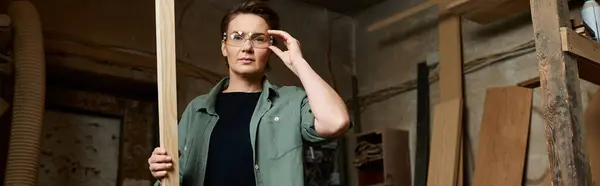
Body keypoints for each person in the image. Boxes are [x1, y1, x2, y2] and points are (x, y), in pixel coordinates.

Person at [148, 0, 351, 185]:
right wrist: (163, 169)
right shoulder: (197, 110)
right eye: (237, 37)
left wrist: (299, 64)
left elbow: (336, 121)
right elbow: (177, 175)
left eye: (258, 39)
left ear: (271, 48)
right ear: (224, 47)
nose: (247, 47)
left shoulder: (291, 102)